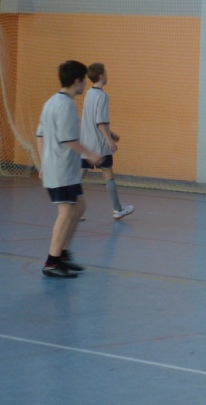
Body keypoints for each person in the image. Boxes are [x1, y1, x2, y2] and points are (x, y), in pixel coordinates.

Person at [36, 60, 103, 278]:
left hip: (63, 168)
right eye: (83, 80)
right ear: (76, 81)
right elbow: (68, 140)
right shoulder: (65, 105)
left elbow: (40, 135)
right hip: (61, 169)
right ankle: (51, 263)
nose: (85, 84)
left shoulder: (51, 102)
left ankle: (63, 255)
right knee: (65, 213)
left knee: (79, 207)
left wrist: (43, 161)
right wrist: (90, 154)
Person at [80, 62, 134, 220]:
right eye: (106, 72)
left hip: (86, 142)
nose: (107, 75)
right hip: (99, 144)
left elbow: (94, 120)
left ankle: (71, 209)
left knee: (80, 175)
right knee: (108, 173)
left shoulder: (89, 94)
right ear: (101, 76)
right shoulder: (102, 96)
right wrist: (109, 139)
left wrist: (112, 133)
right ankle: (118, 209)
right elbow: (100, 122)